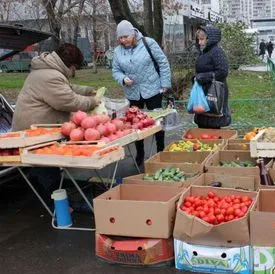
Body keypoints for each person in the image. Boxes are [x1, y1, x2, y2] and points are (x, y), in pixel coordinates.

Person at [11, 43, 100, 203]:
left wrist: (87, 90)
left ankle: (54, 193)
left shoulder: (49, 71)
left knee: (47, 166)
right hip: (34, 132)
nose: (74, 73)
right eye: (75, 68)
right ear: (70, 65)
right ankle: (55, 202)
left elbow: (67, 88)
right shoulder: (50, 76)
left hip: (37, 128)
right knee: (44, 167)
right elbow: (68, 100)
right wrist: (93, 101)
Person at [112, 20, 171, 167]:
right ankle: (140, 154)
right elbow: (116, 70)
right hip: (133, 93)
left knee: (157, 121)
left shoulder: (148, 43)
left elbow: (162, 62)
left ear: (133, 33)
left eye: (126, 36)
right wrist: (123, 79)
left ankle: (160, 150)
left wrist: (165, 84)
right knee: (135, 124)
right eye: (120, 38)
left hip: (153, 88)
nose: (123, 40)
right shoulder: (118, 51)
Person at [193, 25, 231, 129]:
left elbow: (223, 71)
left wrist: (204, 77)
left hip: (215, 91)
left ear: (210, 39)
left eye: (202, 39)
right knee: (203, 118)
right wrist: (196, 77)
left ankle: (214, 141)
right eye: (198, 39)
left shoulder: (217, 52)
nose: (200, 42)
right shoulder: (203, 52)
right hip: (203, 90)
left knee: (214, 120)